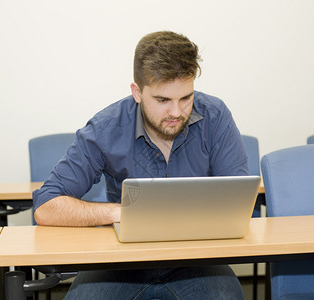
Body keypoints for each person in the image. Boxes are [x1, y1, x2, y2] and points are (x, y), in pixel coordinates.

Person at [33, 31, 249, 300]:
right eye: (162, 100)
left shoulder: (215, 116)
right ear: (137, 92)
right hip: (121, 261)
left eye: (185, 98)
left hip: (198, 261)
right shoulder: (106, 127)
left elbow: (237, 202)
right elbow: (46, 206)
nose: (176, 112)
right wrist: (121, 212)